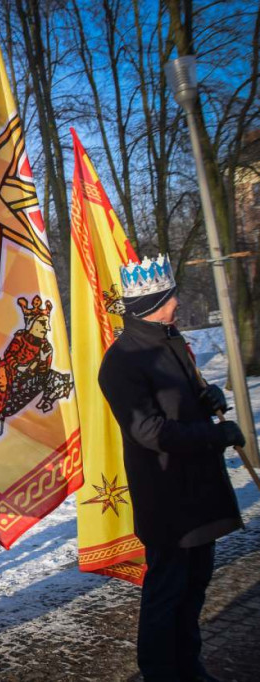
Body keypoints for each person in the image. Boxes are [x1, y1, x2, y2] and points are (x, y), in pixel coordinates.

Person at [97, 254, 244, 682]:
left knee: (196, 584)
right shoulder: (122, 360)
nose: (177, 301)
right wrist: (216, 437)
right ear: (155, 302)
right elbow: (150, 431)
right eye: (171, 296)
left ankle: (188, 665)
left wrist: (209, 398)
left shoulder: (170, 339)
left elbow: (183, 396)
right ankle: (161, 672)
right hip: (166, 496)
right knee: (167, 591)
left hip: (200, 488)